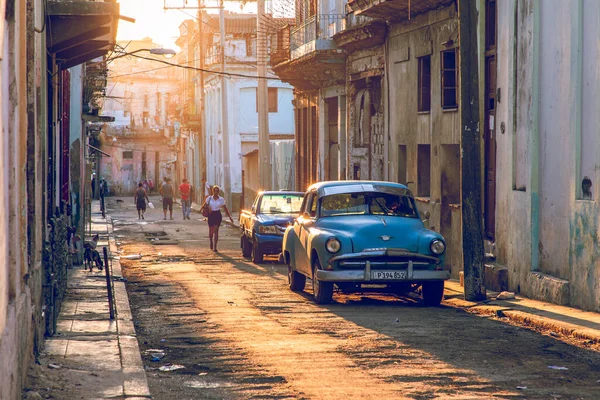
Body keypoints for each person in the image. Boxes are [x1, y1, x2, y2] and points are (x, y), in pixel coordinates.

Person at [202, 185, 233, 252]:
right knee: (211, 232)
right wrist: (208, 208)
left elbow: (225, 208)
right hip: (211, 215)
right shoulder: (209, 198)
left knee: (216, 231)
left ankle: (215, 246)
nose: (216, 192)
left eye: (217, 191)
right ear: (213, 191)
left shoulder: (221, 199)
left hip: (217, 215)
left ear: (219, 192)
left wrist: (230, 217)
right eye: (215, 191)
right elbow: (203, 206)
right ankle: (211, 241)